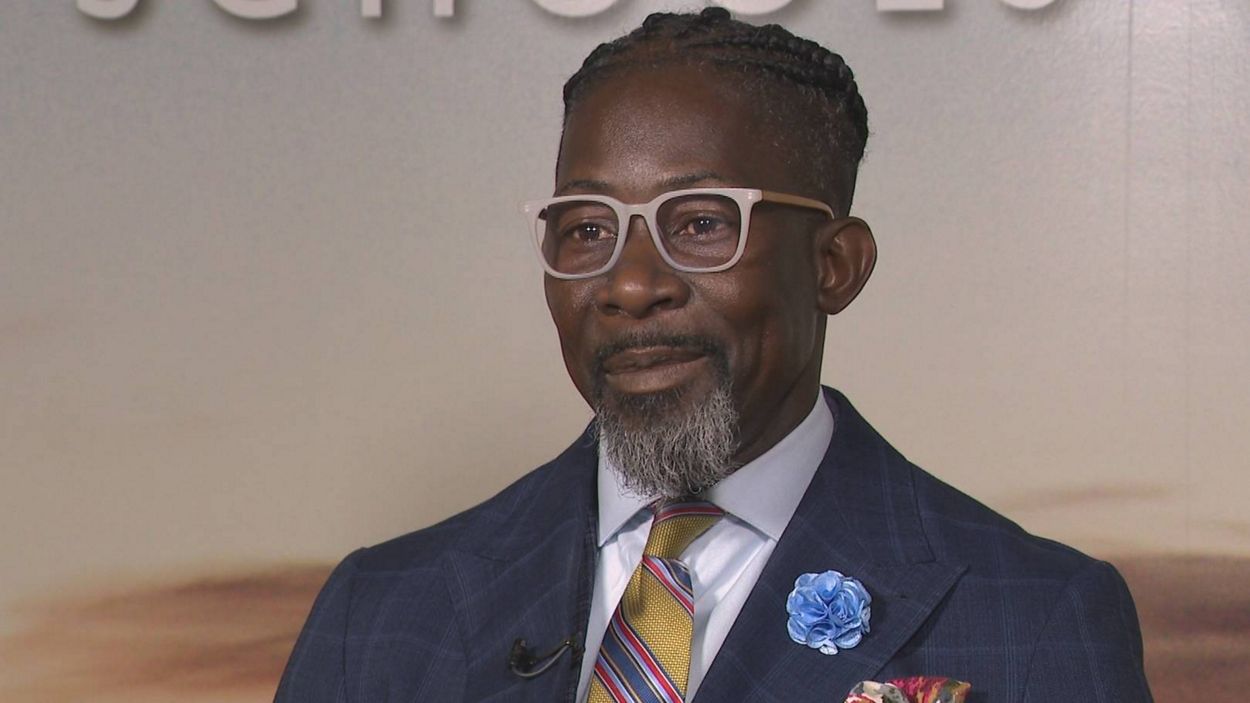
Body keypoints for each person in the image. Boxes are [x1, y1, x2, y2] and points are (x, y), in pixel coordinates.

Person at [275, 9, 1153, 702]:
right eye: (587, 229)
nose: (630, 284)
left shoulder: (1035, 616)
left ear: (834, 265)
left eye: (699, 223)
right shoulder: (379, 613)